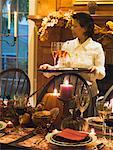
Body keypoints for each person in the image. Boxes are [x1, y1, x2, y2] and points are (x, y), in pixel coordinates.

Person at [39, 12, 105, 117]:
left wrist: (96, 70)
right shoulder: (68, 45)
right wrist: (50, 68)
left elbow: (102, 73)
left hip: (87, 95)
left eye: (75, 26)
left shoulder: (96, 47)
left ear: (85, 28)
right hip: (67, 95)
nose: (72, 29)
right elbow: (61, 68)